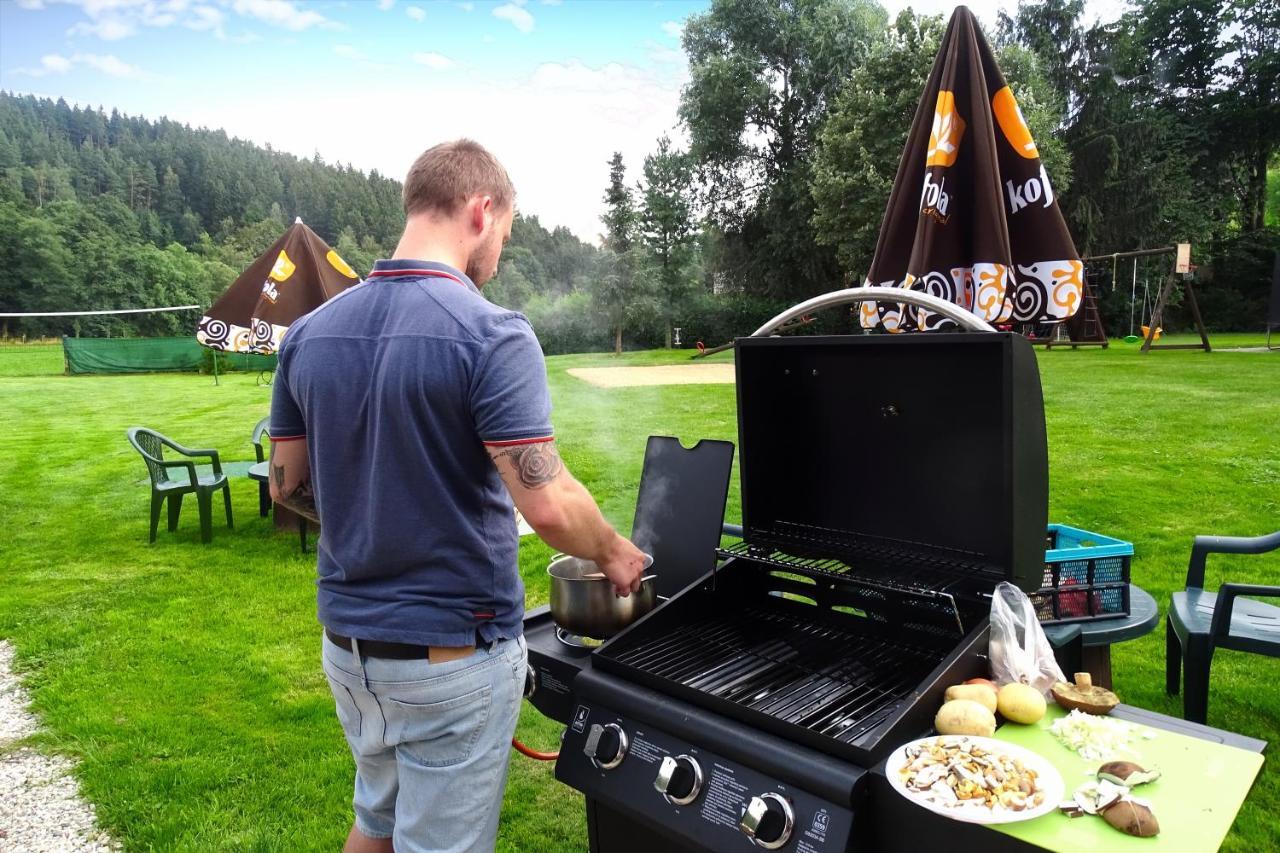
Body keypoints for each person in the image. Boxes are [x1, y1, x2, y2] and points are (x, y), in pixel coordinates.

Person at [267, 139, 647, 853]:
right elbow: (549, 502)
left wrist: (368, 504)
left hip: (349, 655)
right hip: (450, 662)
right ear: (481, 210)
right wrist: (617, 551)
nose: (499, 251)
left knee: (376, 820)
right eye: (503, 231)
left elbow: (286, 485)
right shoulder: (489, 332)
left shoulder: (309, 334)